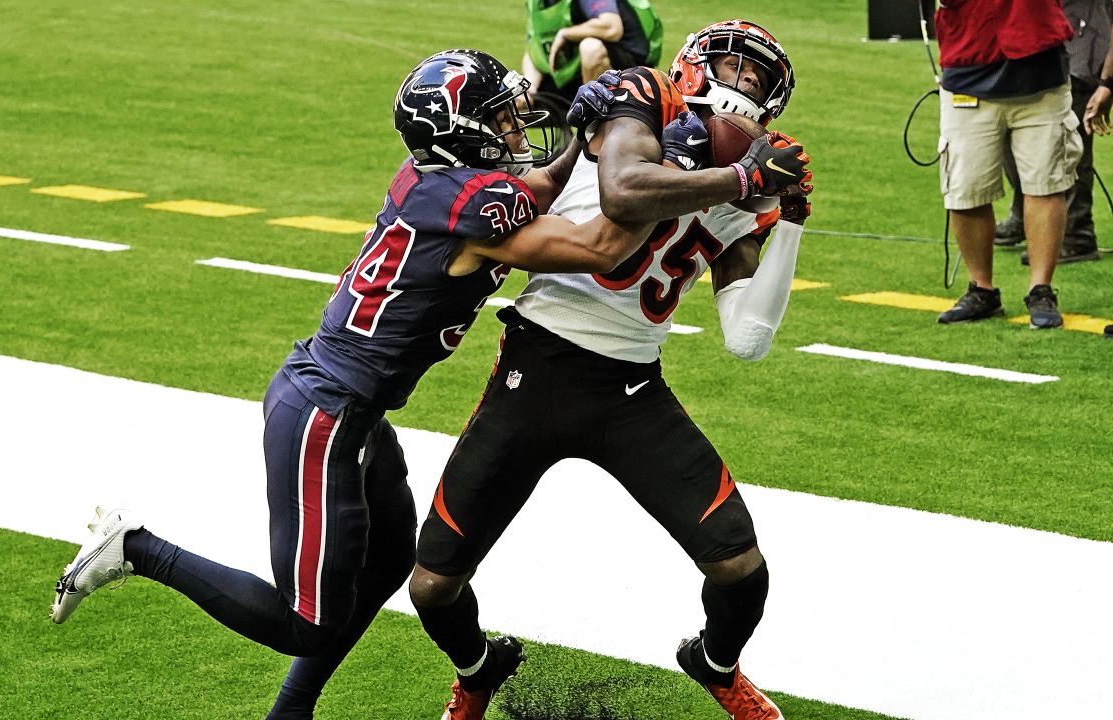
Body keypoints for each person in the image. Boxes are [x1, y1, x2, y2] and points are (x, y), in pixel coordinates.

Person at [47, 48, 773, 720]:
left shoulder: (443, 185)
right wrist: (737, 179)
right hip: (324, 413)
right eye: (497, 118)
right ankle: (136, 549)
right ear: (460, 133)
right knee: (305, 621)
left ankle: (291, 712)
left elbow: (534, 193)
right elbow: (601, 244)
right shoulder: (472, 210)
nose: (514, 128)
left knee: (395, 559)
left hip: (356, 411)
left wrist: (592, 134)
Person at [409, 20, 810, 720]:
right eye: (733, 68)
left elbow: (747, 338)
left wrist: (791, 215)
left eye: (757, 79)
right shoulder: (641, 98)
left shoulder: (749, 192)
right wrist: (743, 176)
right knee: (432, 586)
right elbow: (624, 192)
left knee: (741, 570)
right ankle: (478, 673)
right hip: (538, 365)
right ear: (693, 67)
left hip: (632, 389)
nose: (742, 85)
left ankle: (714, 664)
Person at [935, 0, 1081, 329]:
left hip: (1039, 70)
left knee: (1045, 183)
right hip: (967, 63)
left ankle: (1040, 289)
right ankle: (981, 289)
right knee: (966, 188)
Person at [996, 0, 1109, 265]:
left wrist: (1106, 81)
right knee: (1009, 132)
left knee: (1067, 146)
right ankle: (1026, 214)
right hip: (1032, 44)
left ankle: (1076, 234)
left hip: (1082, 46)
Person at [522, 0, 661, 98]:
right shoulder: (536, 3)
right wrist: (530, 87)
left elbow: (612, 27)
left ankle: (593, 123)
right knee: (518, 100)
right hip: (579, 74)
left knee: (590, 47)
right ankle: (576, 132)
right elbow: (536, 47)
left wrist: (565, 34)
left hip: (628, 71)